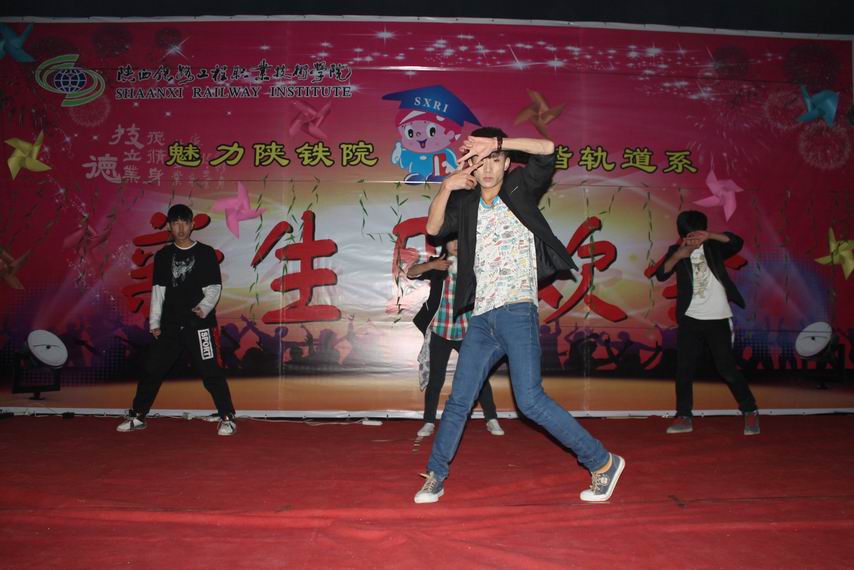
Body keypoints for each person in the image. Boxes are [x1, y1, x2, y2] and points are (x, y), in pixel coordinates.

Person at [413, 127, 625, 504]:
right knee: (459, 400)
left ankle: (603, 462)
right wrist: (446, 187)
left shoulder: (518, 188)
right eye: (480, 163)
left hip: (516, 310)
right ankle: (436, 475)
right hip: (481, 318)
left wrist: (496, 144)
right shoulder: (467, 203)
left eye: (495, 161)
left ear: (507, 163)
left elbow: (548, 148)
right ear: (471, 167)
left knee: (529, 401)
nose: (488, 169)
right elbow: (432, 228)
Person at [117, 204, 237, 436]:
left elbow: (214, 287)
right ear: (169, 227)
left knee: (211, 371)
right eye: (175, 223)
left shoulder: (205, 253)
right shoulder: (163, 256)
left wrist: (203, 308)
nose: (180, 228)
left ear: (193, 225)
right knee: (152, 369)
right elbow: (158, 291)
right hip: (170, 325)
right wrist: (155, 323)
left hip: (200, 324)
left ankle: (227, 416)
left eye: (184, 223)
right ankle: (138, 415)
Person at [654, 210, 759, 436]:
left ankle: (750, 410)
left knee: (726, 368)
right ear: (682, 233)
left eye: (697, 232)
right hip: (690, 318)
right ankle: (684, 416)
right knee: (684, 369)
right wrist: (679, 254)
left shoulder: (714, 247)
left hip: (717, 317)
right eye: (689, 233)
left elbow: (737, 242)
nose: (694, 237)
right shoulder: (677, 250)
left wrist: (710, 236)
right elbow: (660, 273)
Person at [408, 237, 503, 438]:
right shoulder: (438, 263)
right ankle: (428, 421)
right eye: (452, 240)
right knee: (436, 378)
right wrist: (432, 265)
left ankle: (491, 418)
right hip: (440, 330)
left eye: (461, 239)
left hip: (467, 330)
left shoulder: (474, 264)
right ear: (445, 244)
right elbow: (411, 272)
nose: (457, 244)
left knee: (479, 374)